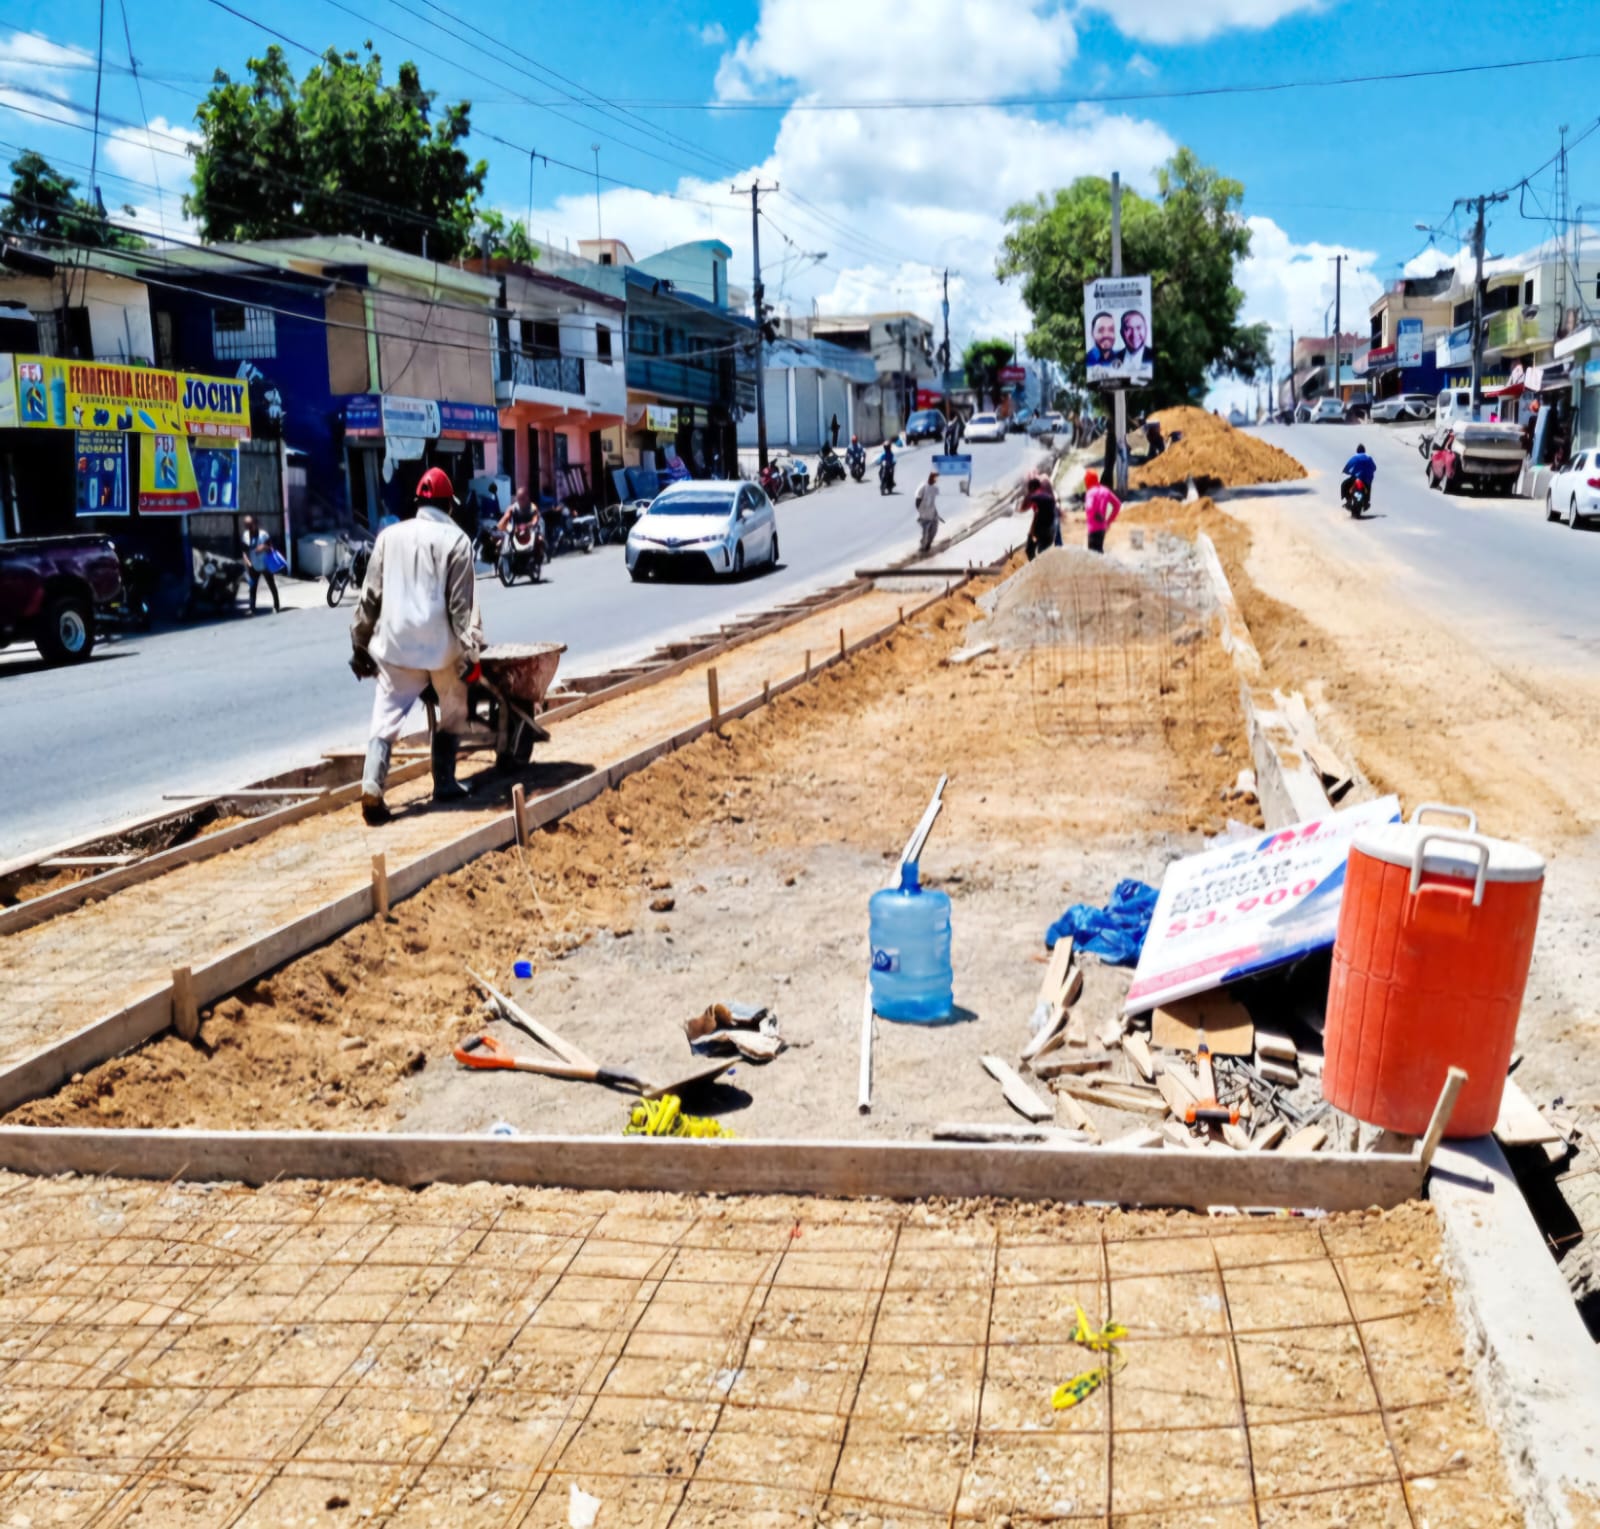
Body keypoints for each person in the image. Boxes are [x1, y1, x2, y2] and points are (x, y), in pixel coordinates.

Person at [349, 466, 483, 826]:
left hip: (395, 647)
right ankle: (445, 782)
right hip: (441, 650)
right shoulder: (458, 542)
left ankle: (372, 786)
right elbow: (461, 611)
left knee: (385, 717)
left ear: (418, 503)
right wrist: (471, 657)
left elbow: (369, 600)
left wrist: (359, 646)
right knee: (454, 708)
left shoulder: (388, 537)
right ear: (449, 507)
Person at [241, 514, 281, 615]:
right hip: (253, 565)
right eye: (246, 525)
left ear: (255, 524)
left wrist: (263, 547)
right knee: (252, 587)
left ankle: (276, 606)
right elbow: (244, 551)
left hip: (265, 564)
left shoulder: (264, 535)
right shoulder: (245, 536)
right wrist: (248, 562)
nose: (249, 528)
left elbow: (271, 548)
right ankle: (252, 608)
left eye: (250, 525)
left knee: (271, 585)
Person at [1082, 468, 1120, 554]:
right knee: (1099, 551)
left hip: (1093, 528)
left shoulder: (1090, 493)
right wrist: (1109, 521)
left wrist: (1091, 516)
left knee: (1093, 555)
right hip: (1102, 527)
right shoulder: (1105, 490)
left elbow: (1089, 507)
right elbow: (1117, 504)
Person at [1022, 475, 1058, 562]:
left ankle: (1039, 569)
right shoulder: (1047, 497)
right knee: (1040, 551)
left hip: (1043, 530)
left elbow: (1023, 507)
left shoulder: (1035, 497)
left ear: (1031, 488)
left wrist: (1031, 533)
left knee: (1031, 551)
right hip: (1051, 529)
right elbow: (1037, 514)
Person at [914, 471, 941, 553]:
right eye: (934, 478)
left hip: (932, 513)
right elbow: (917, 500)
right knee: (925, 532)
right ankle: (922, 548)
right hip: (924, 515)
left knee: (934, 531)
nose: (936, 480)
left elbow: (933, 502)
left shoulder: (935, 489)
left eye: (936, 478)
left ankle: (928, 545)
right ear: (930, 477)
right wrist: (920, 511)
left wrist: (936, 512)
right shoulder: (923, 487)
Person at [1119, 309, 1152, 374]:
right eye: (1128, 328)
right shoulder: (1113, 358)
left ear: (1146, 330)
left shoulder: (1153, 356)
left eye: (1139, 328)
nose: (1134, 334)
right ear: (1121, 332)